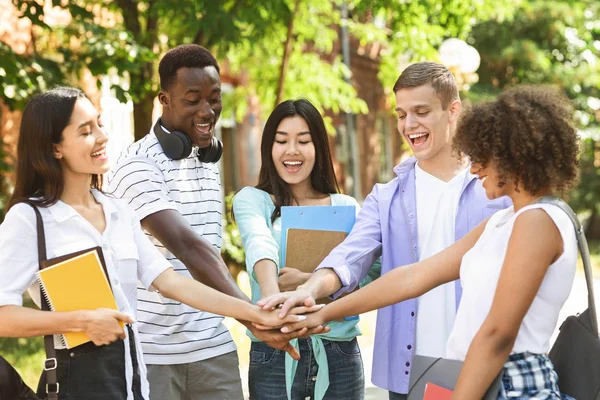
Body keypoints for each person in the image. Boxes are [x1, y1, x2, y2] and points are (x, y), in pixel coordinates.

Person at [271, 85, 580, 399]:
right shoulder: (502, 222)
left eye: (483, 156)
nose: (474, 168)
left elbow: (497, 334)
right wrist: (321, 314)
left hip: (510, 382)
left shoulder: (538, 220)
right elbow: (413, 277)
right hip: (473, 377)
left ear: (515, 155)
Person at [0, 87, 305, 400]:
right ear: (55, 148)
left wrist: (255, 315)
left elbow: (171, 282)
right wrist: (80, 321)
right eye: (86, 132)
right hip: (76, 384)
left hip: (133, 383)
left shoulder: (117, 210)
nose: (102, 137)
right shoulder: (29, 218)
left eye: (100, 124)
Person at [257, 62, 510, 399]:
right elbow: (349, 257)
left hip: (484, 364)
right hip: (411, 371)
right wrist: (312, 288)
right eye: (401, 114)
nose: (409, 125)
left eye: (421, 111)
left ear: (453, 111)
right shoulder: (387, 197)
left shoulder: (495, 188)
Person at [106, 44, 313, 400]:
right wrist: (253, 317)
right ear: (164, 100)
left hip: (212, 347)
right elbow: (190, 249)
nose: (207, 110)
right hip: (155, 354)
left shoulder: (205, 158)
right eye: (192, 100)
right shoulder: (136, 167)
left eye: (214, 98)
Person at [234, 99, 380, 400]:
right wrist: (273, 298)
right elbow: (258, 243)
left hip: (337, 350)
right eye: (281, 141)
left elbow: (364, 279)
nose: (292, 151)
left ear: (319, 148)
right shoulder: (254, 200)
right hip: (273, 351)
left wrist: (304, 279)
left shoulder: (346, 207)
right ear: (268, 148)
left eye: (304, 141)